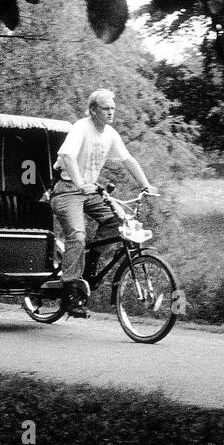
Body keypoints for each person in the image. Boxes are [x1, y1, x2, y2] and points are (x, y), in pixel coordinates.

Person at [51, 89, 157, 317]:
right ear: (93, 110)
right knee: (77, 236)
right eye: (106, 109)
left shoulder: (110, 133)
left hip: (90, 191)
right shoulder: (81, 127)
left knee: (118, 223)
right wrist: (80, 183)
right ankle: (70, 295)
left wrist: (146, 185)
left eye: (113, 109)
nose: (111, 113)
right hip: (68, 190)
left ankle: (88, 267)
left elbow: (128, 160)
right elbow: (67, 156)